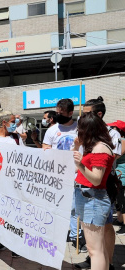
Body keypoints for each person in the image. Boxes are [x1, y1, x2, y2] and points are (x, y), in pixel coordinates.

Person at [74, 96, 122, 269]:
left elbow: (96, 178)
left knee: (95, 251)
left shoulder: (100, 148)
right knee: (96, 248)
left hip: (93, 198)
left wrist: (80, 163)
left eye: (81, 128)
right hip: (88, 196)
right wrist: (76, 148)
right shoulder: (93, 146)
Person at [41, 99, 86, 252]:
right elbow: (45, 147)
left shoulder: (80, 128)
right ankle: (54, 234)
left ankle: (76, 237)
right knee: (56, 207)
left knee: (74, 208)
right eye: (57, 112)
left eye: (61, 113)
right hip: (57, 175)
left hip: (76, 175)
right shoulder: (52, 130)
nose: (58, 115)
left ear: (70, 113)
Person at [0, 110, 23, 257]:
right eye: (13, 122)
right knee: (0, 215)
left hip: (14, 184)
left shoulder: (16, 138)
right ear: (4, 123)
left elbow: (24, 158)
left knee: (14, 215)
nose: (15, 124)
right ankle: (1, 241)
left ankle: (14, 244)